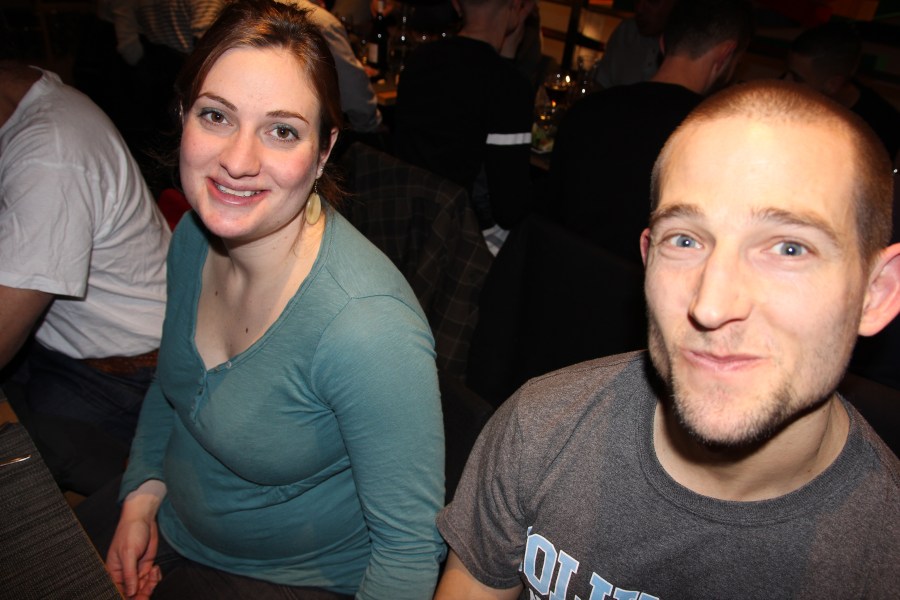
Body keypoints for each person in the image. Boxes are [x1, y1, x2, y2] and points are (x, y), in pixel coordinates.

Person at [434, 78, 900, 598]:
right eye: (685, 240)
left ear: (875, 293)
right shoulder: (540, 430)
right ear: (647, 258)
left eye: (789, 248)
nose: (711, 305)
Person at [98, 1, 446, 598]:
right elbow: (171, 389)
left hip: (290, 578)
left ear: (325, 151)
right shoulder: (193, 236)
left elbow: (409, 552)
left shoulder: (368, 329)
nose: (237, 162)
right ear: (184, 116)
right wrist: (142, 495)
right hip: (170, 520)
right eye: (216, 116)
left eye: (282, 130)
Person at [0, 60, 170, 494]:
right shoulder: (40, 103)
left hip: (124, 374)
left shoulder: (51, 153)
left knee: (22, 476)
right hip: (68, 343)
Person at [550, 0, 753, 265]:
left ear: (663, 43)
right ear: (726, 55)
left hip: (557, 273)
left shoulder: (586, 110)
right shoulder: (717, 139)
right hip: (638, 286)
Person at [393, 0, 536, 234]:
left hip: (404, 217)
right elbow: (510, 209)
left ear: (457, 5)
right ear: (514, 6)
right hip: (459, 234)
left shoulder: (419, 59)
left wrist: (508, 52)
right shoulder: (509, 86)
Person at [784, 19, 900, 161]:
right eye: (787, 72)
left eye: (797, 78)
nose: (785, 81)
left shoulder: (882, 129)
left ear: (833, 84)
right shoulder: (782, 94)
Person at [285, 0, 383, 133]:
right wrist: (372, 126)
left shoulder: (262, 8)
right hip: (319, 128)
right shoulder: (324, 22)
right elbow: (357, 99)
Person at [590, 0, 677, 90]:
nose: (639, 8)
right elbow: (600, 83)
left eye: (652, 1)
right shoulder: (626, 32)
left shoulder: (683, 48)